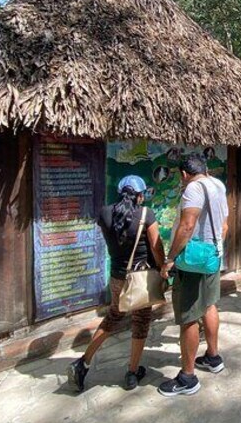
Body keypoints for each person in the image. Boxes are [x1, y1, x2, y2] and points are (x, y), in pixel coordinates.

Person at [67, 175, 165, 392]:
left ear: (121, 192)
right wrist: (163, 267)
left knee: (112, 318)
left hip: (118, 278)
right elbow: (156, 247)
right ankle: (132, 372)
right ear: (140, 196)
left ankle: (83, 362)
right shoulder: (146, 214)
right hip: (141, 278)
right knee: (141, 322)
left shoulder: (104, 213)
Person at [158, 156, 229, 396]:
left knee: (188, 316)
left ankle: (188, 377)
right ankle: (213, 356)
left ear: (184, 174)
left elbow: (187, 226)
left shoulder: (193, 189)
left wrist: (170, 258)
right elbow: (225, 226)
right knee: (209, 304)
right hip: (212, 256)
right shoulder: (218, 185)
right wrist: (213, 248)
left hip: (193, 261)